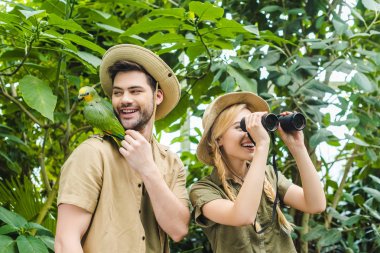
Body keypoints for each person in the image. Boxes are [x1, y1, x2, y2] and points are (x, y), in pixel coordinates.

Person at [55, 44, 190, 253]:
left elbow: (178, 230)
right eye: (118, 93)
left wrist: (148, 168)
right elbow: (66, 241)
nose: (125, 99)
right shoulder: (92, 154)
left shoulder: (170, 162)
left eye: (135, 91)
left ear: (158, 96)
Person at [189, 92, 326, 252]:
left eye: (254, 127)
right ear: (218, 139)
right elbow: (242, 216)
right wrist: (262, 145)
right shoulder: (204, 190)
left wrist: (298, 148)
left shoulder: (269, 175)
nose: (251, 134)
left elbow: (315, 204)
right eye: (241, 127)